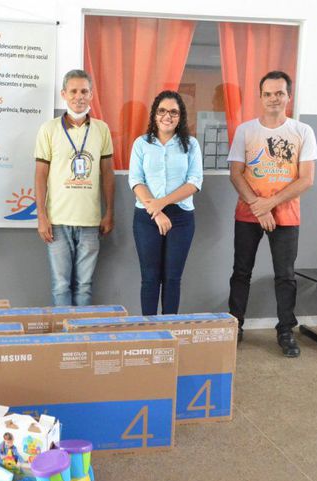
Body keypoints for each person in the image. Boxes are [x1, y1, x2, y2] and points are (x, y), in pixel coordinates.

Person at [228, 71, 317, 357]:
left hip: (286, 216)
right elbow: (236, 174)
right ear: (260, 97)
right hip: (248, 214)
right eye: (267, 94)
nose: (273, 99)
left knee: (285, 276)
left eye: (279, 93)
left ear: (288, 96)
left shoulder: (303, 131)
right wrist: (258, 206)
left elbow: (306, 179)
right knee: (241, 272)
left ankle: (285, 331)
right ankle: (235, 326)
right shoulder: (245, 131)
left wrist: (270, 204)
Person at [34, 69, 115, 306]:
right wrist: (41, 217)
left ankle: (81, 329)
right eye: (73, 91)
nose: (79, 96)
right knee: (60, 285)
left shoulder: (101, 129)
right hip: (57, 221)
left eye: (84, 91)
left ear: (91, 95)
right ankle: (64, 330)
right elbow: (40, 175)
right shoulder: (48, 129)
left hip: (90, 221)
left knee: (85, 285)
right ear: (64, 94)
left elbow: (107, 174)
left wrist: (109, 212)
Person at [129, 91, 203, 315]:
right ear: (154, 114)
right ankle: (149, 329)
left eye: (173, 112)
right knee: (150, 278)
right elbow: (136, 180)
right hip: (147, 217)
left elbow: (194, 182)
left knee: (172, 278)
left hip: (181, 218)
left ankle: (169, 328)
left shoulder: (191, 144)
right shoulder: (141, 144)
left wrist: (161, 203)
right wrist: (156, 211)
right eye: (162, 111)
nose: (167, 116)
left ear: (180, 117)